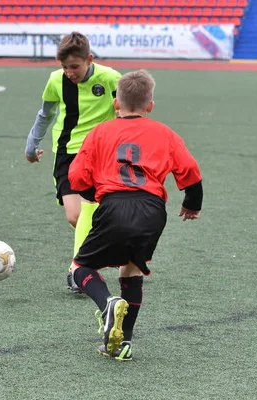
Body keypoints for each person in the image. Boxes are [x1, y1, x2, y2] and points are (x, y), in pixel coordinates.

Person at [68, 69, 203, 361]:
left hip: (115, 205)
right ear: (150, 106)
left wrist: (91, 194)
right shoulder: (165, 133)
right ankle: (122, 342)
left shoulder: (100, 132)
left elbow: (77, 176)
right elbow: (190, 171)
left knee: (80, 269)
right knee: (131, 269)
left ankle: (106, 304)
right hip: (152, 210)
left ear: (116, 103)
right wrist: (193, 203)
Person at [25, 31, 121, 294]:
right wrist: (31, 145)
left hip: (102, 155)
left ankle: (78, 270)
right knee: (75, 216)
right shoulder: (56, 80)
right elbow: (46, 114)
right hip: (67, 153)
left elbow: (127, 111)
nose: (69, 72)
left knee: (89, 213)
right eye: (64, 67)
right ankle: (94, 257)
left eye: (75, 66)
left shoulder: (111, 78)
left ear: (89, 59)